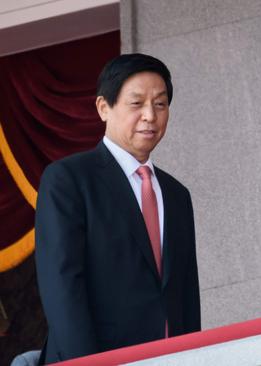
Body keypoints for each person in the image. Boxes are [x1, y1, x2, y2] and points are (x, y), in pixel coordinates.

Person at [35, 53, 200, 363]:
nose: (150, 115)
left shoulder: (178, 195)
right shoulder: (69, 180)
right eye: (136, 104)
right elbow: (63, 286)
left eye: (160, 104)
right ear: (103, 108)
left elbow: (186, 297)